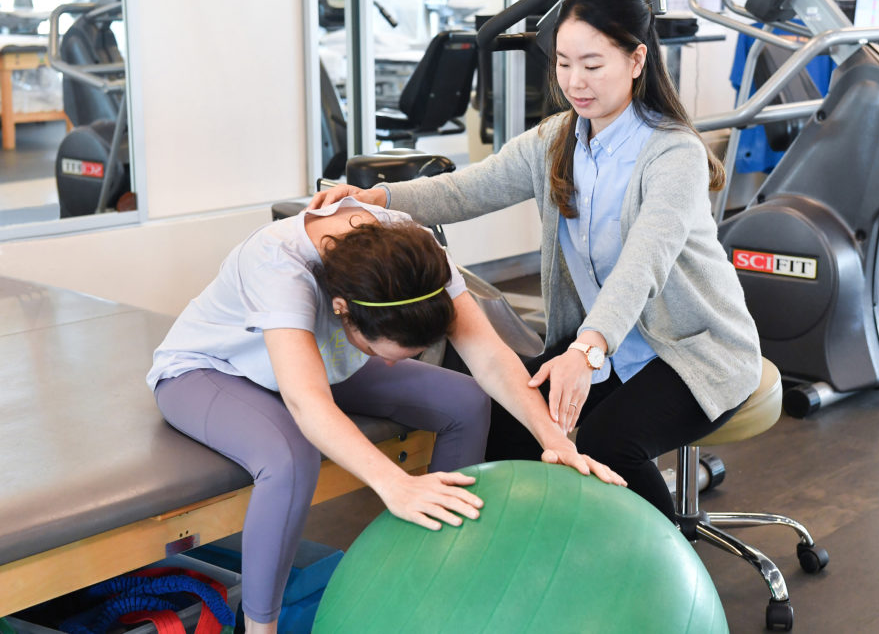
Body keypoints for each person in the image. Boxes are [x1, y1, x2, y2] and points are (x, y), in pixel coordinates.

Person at [310, 0, 763, 521]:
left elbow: (645, 263)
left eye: (593, 65)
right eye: (564, 63)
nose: (575, 82)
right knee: (507, 422)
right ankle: (532, 565)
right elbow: (465, 189)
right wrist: (375, 197)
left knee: (606, 443)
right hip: (607, 349)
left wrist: (586, 349)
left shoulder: (672, 154)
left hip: (693, 349)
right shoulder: (556, 139)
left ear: (637, 59)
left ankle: (673, 583)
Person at [147, 196, 624, 633]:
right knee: (291, 458)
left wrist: (555, 437)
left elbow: (491, 357)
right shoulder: (279, 264)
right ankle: (258, 627)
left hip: (322, 364)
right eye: (389, 351)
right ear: (343, 311)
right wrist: (394, 484)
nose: (395, 365)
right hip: (211, 372)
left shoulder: (413, 250)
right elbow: (306, 403)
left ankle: (434, 576)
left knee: (465, 401)